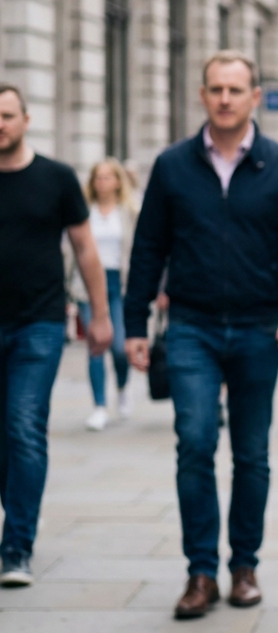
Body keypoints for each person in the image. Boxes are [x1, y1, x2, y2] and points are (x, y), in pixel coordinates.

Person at [124, 50, 278, 620]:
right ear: (203, 95)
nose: (225, 98)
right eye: (215, 88)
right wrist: (134, 325)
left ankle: (244, 566)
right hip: (191, 326)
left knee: (251, 453)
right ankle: (199, 573)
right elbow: (148, 248)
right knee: (193, 442)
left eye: (236, 89)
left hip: (261, 326)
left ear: (254, 97)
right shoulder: (173, 166)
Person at [0, 84, 114, 587]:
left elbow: (87, 250)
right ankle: (22, 512)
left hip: (39, 324)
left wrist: (101, 317)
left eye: (6, 115)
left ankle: (17, 547)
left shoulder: (57, 178)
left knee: (24, 425)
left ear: (26, 119)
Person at [69, 159, 140, 431]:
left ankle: (122, 387)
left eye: (108, 177)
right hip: (87, 285)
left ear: (118, 182)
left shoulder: (129, 211)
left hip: (118, 284)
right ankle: (99, 406)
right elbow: (71, 250)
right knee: (95, 344)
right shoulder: (85, 210)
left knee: (121, 346)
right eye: (98, 178)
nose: (102, 183)